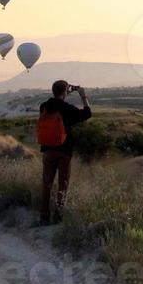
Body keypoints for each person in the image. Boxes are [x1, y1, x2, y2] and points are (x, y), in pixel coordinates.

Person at [37, 80, 91, 225]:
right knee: (63, 184)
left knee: (46, 184)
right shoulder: (66, 108)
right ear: (65, 91)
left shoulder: (44, 106)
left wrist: (65, 90)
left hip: (47, 150)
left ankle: (44, 216)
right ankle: (58, 215)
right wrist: (83, 96)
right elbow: (87, 114)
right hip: (64, 151)